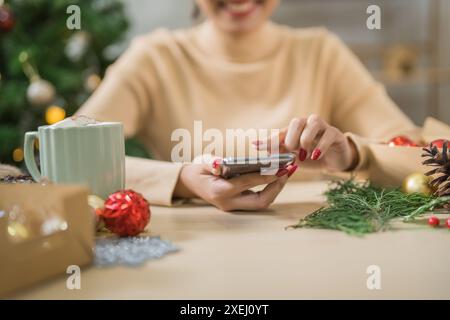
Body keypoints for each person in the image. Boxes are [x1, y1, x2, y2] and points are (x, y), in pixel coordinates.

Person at [77, 0, 417, 211]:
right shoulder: (154, 57)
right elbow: (69, 156)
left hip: (315, 253)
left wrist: (354, 155)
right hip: (192, 254)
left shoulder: (321, 52)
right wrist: (181, 180)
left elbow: (420, 154)